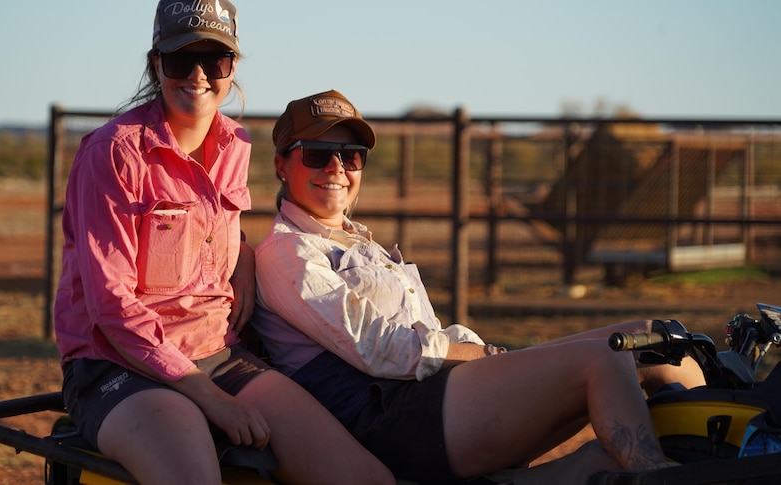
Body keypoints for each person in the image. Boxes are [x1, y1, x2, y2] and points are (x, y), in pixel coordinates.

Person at [251, 89, 707, 483]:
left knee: (655, 340)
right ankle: (661, 479)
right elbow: (378, 350)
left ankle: (729, 458)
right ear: (281, 165)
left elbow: (419, 338)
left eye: (350, 156)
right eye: (316, 153)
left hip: (434, 394)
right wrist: (484, 355)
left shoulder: (357, 238)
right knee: (602, 359)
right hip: (391, 416)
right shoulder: (288, 252)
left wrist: (488, 355)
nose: (336, 167)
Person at [53, 5, 394, 484]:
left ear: (232, 68)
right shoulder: (113, 153)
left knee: (363, 478)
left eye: (215, 60)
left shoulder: (236, 142)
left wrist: (245, 254)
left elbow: (209, 224)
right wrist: (209, 398)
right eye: (180, 60)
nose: (198, 75)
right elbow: (111, 306)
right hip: (117, 361)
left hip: (216, 351)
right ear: (156, 65)